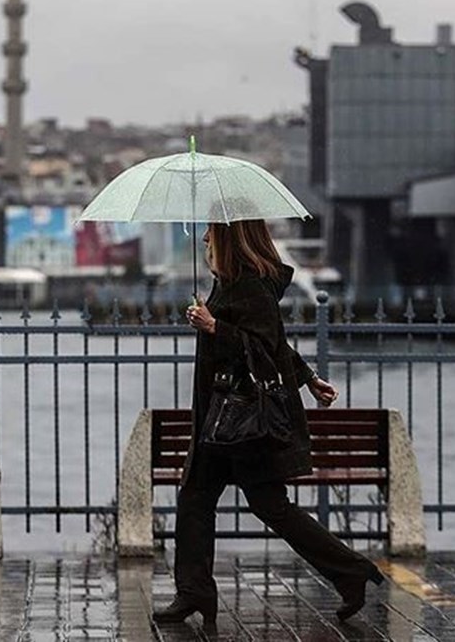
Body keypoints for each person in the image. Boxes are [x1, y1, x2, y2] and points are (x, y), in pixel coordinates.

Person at [153, 219, 385, 626]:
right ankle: (194, 593)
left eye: (211, 231)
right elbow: (275, 343)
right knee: (195, 498)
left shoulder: (251, 286)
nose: (206, 237)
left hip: (242, 420)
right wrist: (310, 379)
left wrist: (214, 327)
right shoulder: (230, 283)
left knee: (268, 506)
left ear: (231, 236)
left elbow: (260, 347)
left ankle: (350, 571)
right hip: (221, 419)